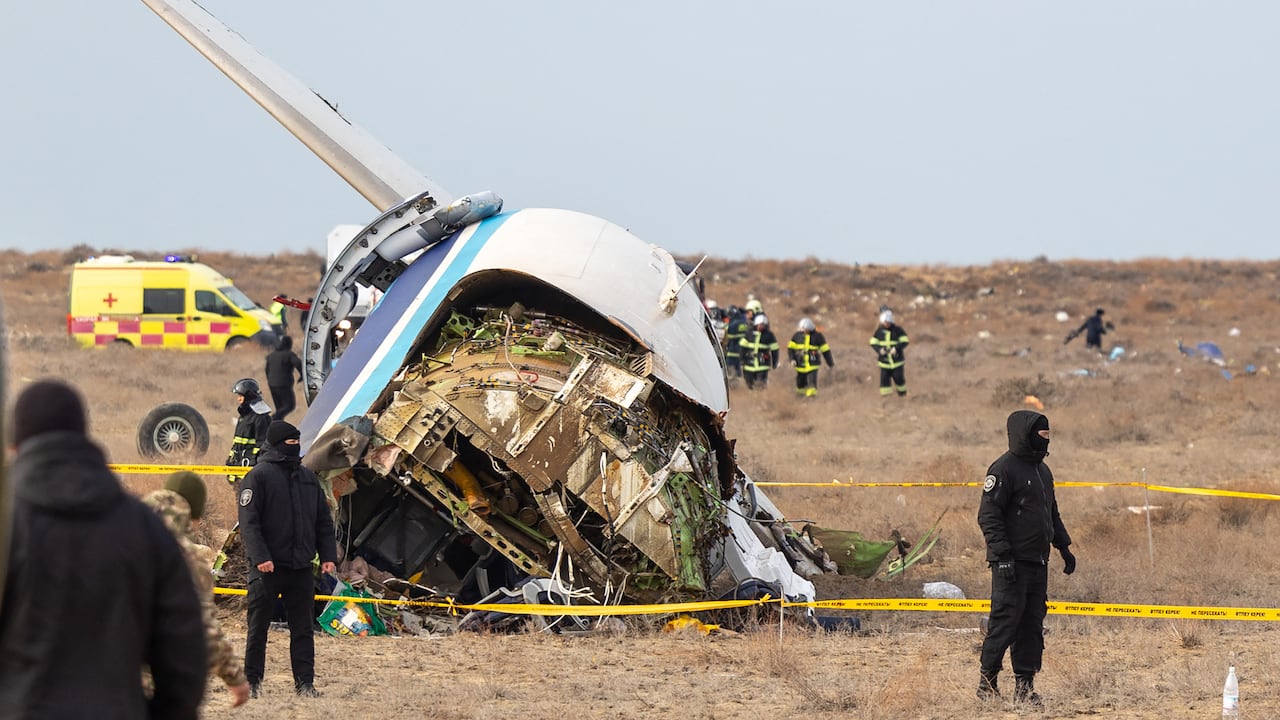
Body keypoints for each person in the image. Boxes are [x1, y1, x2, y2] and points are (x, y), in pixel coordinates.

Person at [0, 380, 207, 717]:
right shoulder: (145, 529)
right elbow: (184, 653)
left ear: (14, 446)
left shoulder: (7, 526)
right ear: (83, 435)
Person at [976, 410, 1076, 706]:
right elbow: (988, 515)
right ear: (1025, 434)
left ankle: (1025, 686)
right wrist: (1002, 554)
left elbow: (1051, 513)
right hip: (1010, 564)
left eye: (1048, 436)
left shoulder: (1043, 471)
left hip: (1037, 562)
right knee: (1005, 621)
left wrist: (1063, 546)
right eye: (1041, 436)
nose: (1045, 441)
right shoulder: (1003, 469)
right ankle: (987, 683)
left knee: (1032, 624)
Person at [239, 420, 338, 699]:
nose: (294, 448)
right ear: (276, 444)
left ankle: (305, 684)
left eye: (297, 443)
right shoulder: (258, 477)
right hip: (266, 568)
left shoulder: (308, 479)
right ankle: (252, 683)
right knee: (258, 629)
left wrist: (328, 556)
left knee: (303, 629)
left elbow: (322, 522)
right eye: (289, 443)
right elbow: (249, 523)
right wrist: (261, 558)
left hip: (300, 568)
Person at [145, 471, 251, 708]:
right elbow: (204, 626)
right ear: (191, 514)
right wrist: (233, 676)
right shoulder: (187, 559)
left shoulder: (115, 538)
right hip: (161, 684)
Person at [227, 377, 272, 485]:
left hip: (250, 468)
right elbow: (237, 442)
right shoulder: (244, 416)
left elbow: (262, 444)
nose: (238, 399)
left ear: (248, 396)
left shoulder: (260, 417)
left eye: (240, 396)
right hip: (239, 465)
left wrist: (253, 462)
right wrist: (230, 459)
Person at [788, 317, 834, 398]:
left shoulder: (818, 336)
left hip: (813, 364)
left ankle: (811, 398)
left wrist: (830, 363)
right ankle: (800, 397)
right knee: (800, 384)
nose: (802, 330)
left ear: (808, 328)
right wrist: (792, 359)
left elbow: (825, 351)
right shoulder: (796, 336)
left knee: (812, 383)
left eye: (803, 328)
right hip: (800, 364)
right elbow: (791, 349)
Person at [869, 309, 909, 397]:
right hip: (884, 363)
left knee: (899, 379)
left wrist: (896, 348)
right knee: (884, 382)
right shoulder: (879, 331)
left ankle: (902, 395)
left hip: (897, 362)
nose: (886, 324)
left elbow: (905, 341)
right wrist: (880, 350)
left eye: (888, 322)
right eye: (885, 322)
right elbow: (873, 342)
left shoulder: (898, 330)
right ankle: (886, 400)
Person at [265, 335, 304, 421]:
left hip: (272, 384)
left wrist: (270, 380)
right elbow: (298, 363)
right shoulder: (289, 354)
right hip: (284, 384)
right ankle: (273, 418)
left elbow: (267, 370)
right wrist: (302, 375)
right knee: (290, 405)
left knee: (280, 409)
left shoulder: (271, 355)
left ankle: (277, 427)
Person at [739, 314, 779, 390]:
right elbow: (742, 348)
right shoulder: (749, 334)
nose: (761, 327)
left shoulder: (769, 336)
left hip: (762, 365)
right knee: (749, 384)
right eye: (759, 325)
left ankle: (760, 398)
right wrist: (741, 360)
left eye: (763, 325)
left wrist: (775, 363)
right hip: (748, 365)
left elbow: (775, 350)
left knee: (760, 385)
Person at [722, 306, 750, 380]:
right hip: (743, 351)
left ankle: (733, 384)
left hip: (732, 351)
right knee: (738, 370)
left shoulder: (732, 325)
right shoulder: (744, 323)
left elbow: (728, 339)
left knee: (730, 370)